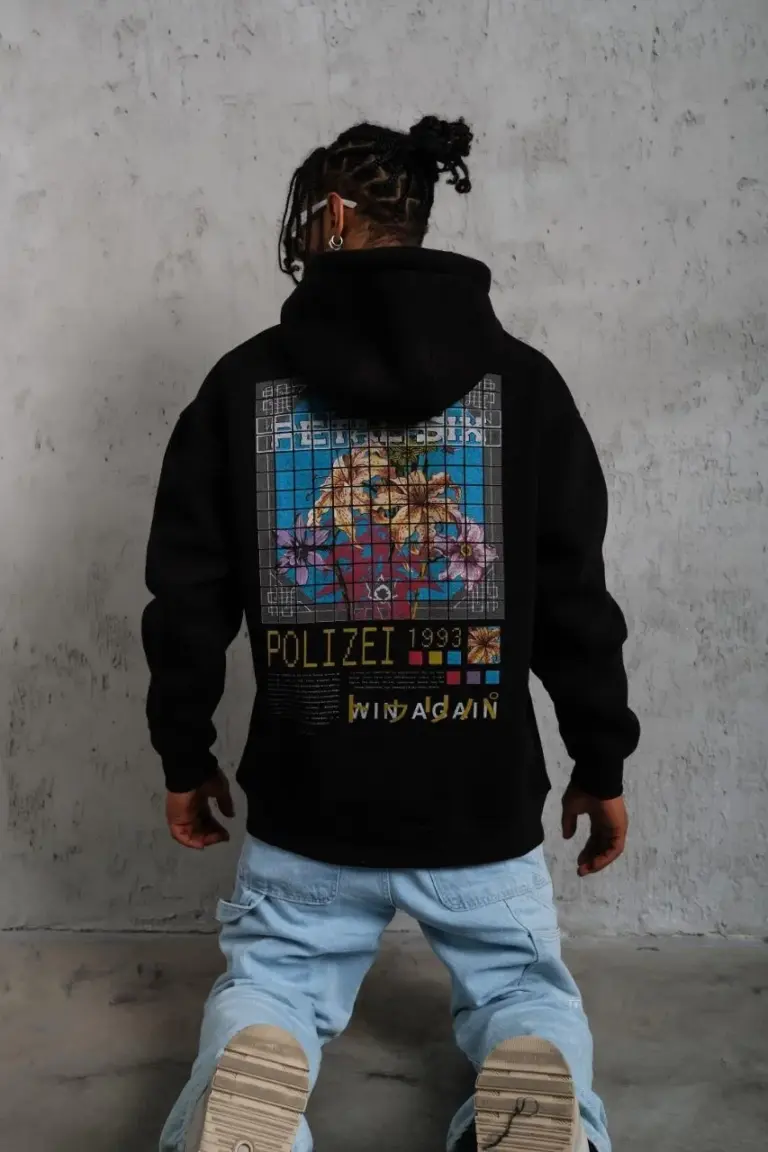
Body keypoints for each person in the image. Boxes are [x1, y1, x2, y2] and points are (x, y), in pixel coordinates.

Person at [143, 115, 640, 1152]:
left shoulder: (243, 384)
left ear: (330, 214)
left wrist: (184, 755)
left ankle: (253, 1067)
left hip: (310, 798)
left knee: (272, 982)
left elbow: (188, 596)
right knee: (522, 988)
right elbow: (574, 599)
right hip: (477, 796)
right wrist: (600, 759)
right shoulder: (524, 384)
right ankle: (532, 1069)